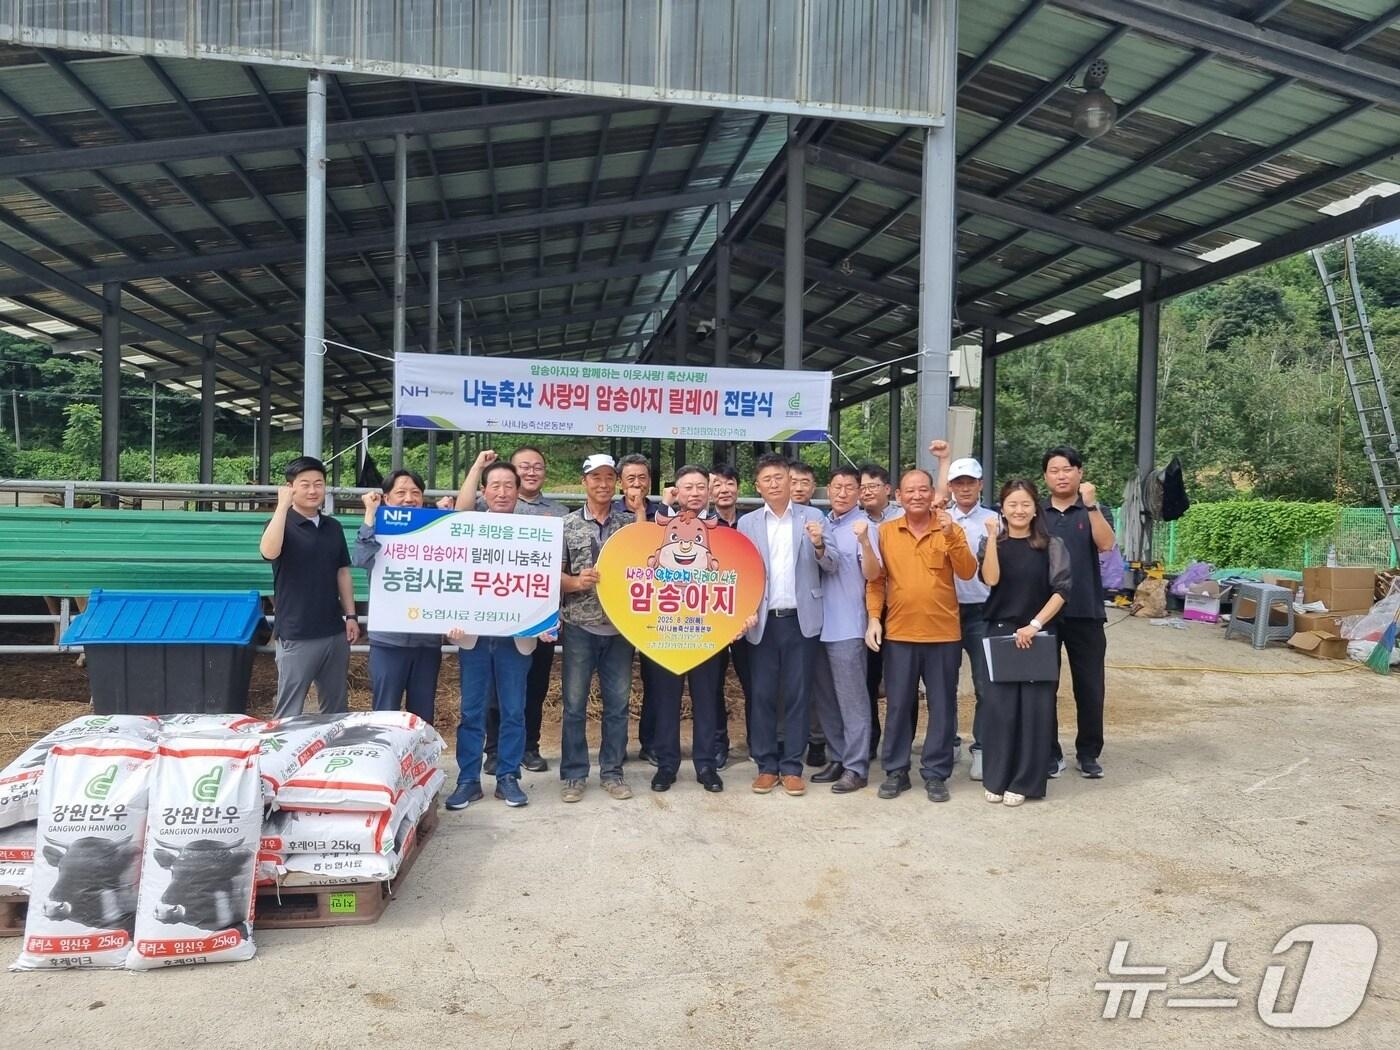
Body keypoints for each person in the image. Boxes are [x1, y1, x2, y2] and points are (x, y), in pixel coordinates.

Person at [860, 468, 976, 803]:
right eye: (909, 491)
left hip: (943, 634)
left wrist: (953, 535)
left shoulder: (949, 528)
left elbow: (968, 571)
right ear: (898, 495)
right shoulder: (885, 532)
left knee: (942, 706)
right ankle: (896, 771)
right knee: (898, 706)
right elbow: (876, 581)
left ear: (932, 494)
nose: (916, 496)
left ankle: (936, 773)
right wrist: (873, 619)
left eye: (923, 490)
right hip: (899, 632)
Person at [445, 458, 545, 810]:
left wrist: (544, 620)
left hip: (516, 639)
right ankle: (468, 779)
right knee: (472, 711)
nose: (502, 492)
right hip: (473, 635)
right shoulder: (467, 527)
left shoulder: (535, 534)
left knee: (514, 710)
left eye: (509, 486)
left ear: (520, 492)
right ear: (484, 492)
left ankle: (508, 777)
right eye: (495, 486)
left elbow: (542, 586)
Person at [738, 452, 835, 795]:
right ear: (758, 486)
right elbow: (741, 574)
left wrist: (820, 545)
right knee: (762, 695)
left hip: (801, 620)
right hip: (761, 622)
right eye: (767, 479)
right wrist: (742, 613)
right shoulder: (747, 524)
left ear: (790, 481)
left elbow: (833, 565)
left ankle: (792, 766)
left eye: (780, 477)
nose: (775, 484)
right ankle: (766, 765)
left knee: (798, 695)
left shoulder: (813, 517)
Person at [469, 446, 567, 777]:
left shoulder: (557, 513)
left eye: (537, 466)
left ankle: (529, 746)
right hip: (493, 617)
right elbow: (461, 508)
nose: (530, 472)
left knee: (535, 685)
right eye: (523, 467)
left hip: (536, 615)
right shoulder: (486, 510)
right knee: (495, 692)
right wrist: (476, 467)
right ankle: (494, 750)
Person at [978, 480, 1071, 806]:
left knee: (1035, 710)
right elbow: (990, 579)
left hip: (1038, 634)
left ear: (1035, 509)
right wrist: (991, 537)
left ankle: (1026, 782)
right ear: (1002, 508)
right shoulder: (992, 541)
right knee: (1000, 709)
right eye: (1012, 504)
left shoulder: (1051, 544)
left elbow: (1061, 590)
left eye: (1025, 504)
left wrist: (1035, 624)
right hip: (1000, 632)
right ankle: (997, 777)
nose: (1019, 510)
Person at [559, 454, 637, 804]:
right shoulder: (566, 525)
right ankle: (574, 774)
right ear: (584, 481)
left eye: (609, 477)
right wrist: (576, 582)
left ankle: (612, 772)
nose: (603, 483)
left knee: (618, 705)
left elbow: (646, 567)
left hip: (621, 629)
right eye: (596, 477)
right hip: (579, 626)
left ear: (617, 482)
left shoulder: (629, 525)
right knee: (574, 705)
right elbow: (551, 576)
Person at [647, 465, 728, 794]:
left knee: (707, 698)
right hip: (663, 628)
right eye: (687, 488)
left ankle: (706, 764)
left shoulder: (722, 529)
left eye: (700, 487)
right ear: (675, 493)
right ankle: (667, 764)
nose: (694, 493)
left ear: (709, 492)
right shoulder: (654, 526)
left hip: (707, 629)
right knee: (665, 699)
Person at [259, 456, 359, 718]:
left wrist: (350, 615)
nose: (313, 490)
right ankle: (282, 756)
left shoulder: (332, 527)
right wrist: (281, 507)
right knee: (289, 708)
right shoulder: (282, 524)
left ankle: (332, 754)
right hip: (296, 632)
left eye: (319, 484)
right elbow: (269, 552)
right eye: (305, 485)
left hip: (333, 631)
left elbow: (343, 572)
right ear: (290, 487)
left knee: (336, 707)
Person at [351, 469, 454, 721]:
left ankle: (420, 761)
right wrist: (369, 515)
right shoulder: (375, 527)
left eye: (415, 493)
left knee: (422, 713)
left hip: (427, 639)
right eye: (401, 492)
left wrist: (445, 518)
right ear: (386, 498)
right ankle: (385, 760)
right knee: (385, 712)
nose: (409, 498)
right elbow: (361, 559)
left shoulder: (436, 529)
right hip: (389, 639)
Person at [1042, 445, 1116, 779]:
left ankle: (1088, 752)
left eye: (1067, 469)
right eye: (1054, 470)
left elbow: (1106, 545)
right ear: (1045, 477)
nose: (1061, 475)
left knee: (1089, 687)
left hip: (1086, 611)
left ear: (1080, 473)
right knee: (1044, 685)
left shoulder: (1094, 510)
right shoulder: (1037, 513)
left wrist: (1091, 506)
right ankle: (1049, 752)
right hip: (1044, 613)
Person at [809, 465, 872, 793]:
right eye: (837, 487)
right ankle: (837, 756)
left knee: (852, 700)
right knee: (826, 700)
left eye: (850, 487)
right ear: (828, 491)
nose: (843, 492)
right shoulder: (819, 523)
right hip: (818, 623)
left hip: (848, 623)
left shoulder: (865, 527)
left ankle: (857, 766)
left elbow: (874, 575)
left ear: (860, 492)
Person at [945, 457, 999, 782]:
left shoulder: (995, 521)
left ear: (980, 484)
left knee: (985, 684)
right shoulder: (940, 519)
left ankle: (981, 747)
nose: (965, 487)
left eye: (970, 482)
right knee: (943, 684)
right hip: (946, 610)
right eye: (958, 482)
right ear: (951, 487)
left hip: (983, 610)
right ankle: (947, 741)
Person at [615, 453, 664, 764]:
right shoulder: (610, 510)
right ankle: (615, 749)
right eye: (630, 478)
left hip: (653, 609)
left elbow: (652, 554)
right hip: (616, 607)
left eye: (642, 478)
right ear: (621, 482)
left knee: (654, 679)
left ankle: (651, 743)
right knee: (616, 684)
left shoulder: (662, 513)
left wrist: (642, 514)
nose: (636, 483)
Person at [858, 462, 902, 760]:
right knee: (868, 679)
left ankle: (898, 743)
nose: (867, 492)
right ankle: (871, 739)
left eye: (873, 486)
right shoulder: (855, 520)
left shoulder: (904, 516)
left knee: (901, 680)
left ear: (888, 489)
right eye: (863, 487)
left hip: (900, 608)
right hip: (868, 608)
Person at [708, 463, 751, 769]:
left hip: (749, 616)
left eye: (729, 483)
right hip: (713, 616)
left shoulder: (753, 523)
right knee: (712, 684)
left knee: (755, 683)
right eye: (717, 485)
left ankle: (760, 742)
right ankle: (717, 743)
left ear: (738, 486)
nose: (724, 489)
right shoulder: (702, 526)